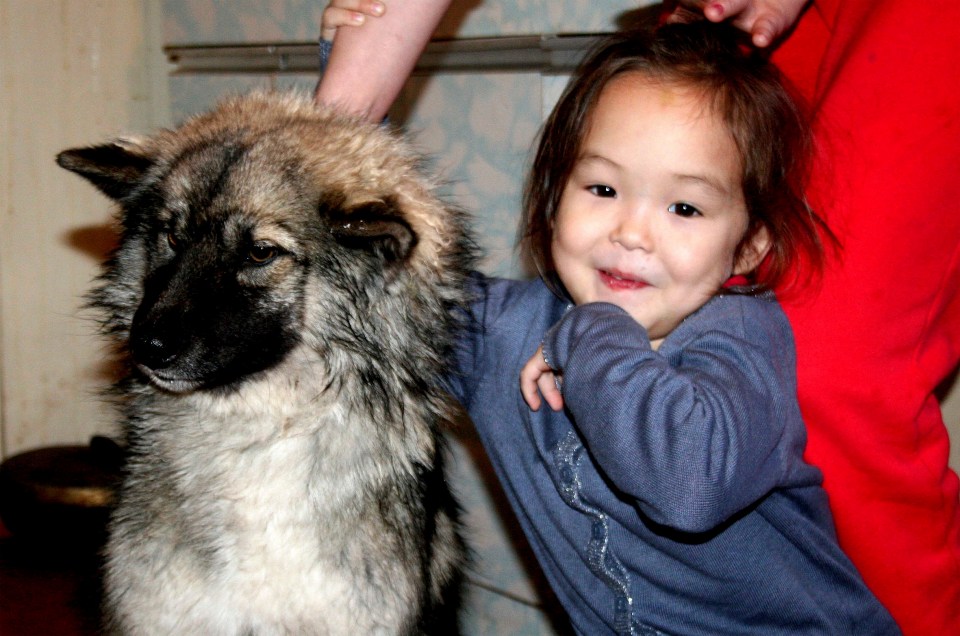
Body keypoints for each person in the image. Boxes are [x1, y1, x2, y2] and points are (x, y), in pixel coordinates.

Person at [315, 2, 960, 633]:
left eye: (684, 208)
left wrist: (591, 331)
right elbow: (385, 279)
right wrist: (340, 119)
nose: (632, 232)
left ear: (749, 245)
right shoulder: (505, 332)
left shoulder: (743, 340)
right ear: (552, 194)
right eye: (602, 189)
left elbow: (687, 485)